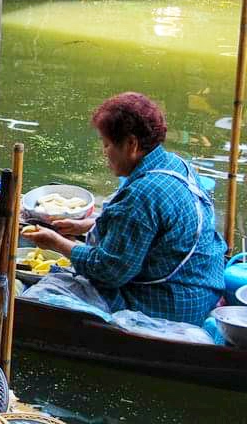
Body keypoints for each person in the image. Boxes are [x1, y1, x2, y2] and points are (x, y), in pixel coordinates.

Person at [22, 92, 226, 325]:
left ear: (131, 144)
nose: (104, 152)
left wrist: (56, 243)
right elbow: (148, 227)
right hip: (205, 288)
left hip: (171, 304)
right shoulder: (176, 164)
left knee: (44, 292)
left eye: (107, 144)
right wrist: (84, 225)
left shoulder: (142, 194)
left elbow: (108, 271)